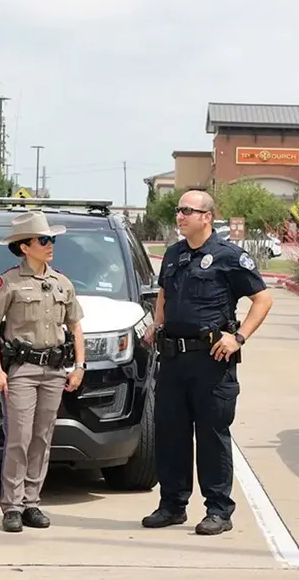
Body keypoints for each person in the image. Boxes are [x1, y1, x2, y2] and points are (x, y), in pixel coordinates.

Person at [142, 189, 273, 536]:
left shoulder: (229, 256)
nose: (180, 216)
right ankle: (172, 505)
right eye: (178, 210)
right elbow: (164, 294)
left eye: (188, 210)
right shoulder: (173, 254)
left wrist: (238, 337)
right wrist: (157, 325)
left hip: (211, 361)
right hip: (172, 360)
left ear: (207, 217)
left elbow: (262, 300)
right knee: (170, 434)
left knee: (212, 435)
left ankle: (218, 509)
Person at [0, 211, 86, 533]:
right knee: (19, 438)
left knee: (42, 437)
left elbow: (76, 325)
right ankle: (11, 506)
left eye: (51, 239)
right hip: (22, 370)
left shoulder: (62, 283)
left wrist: (79, 365)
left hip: (54, 370)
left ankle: (31, 503)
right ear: (25, 247)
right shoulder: (9, 282)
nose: (50, 244)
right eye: (43, 240)